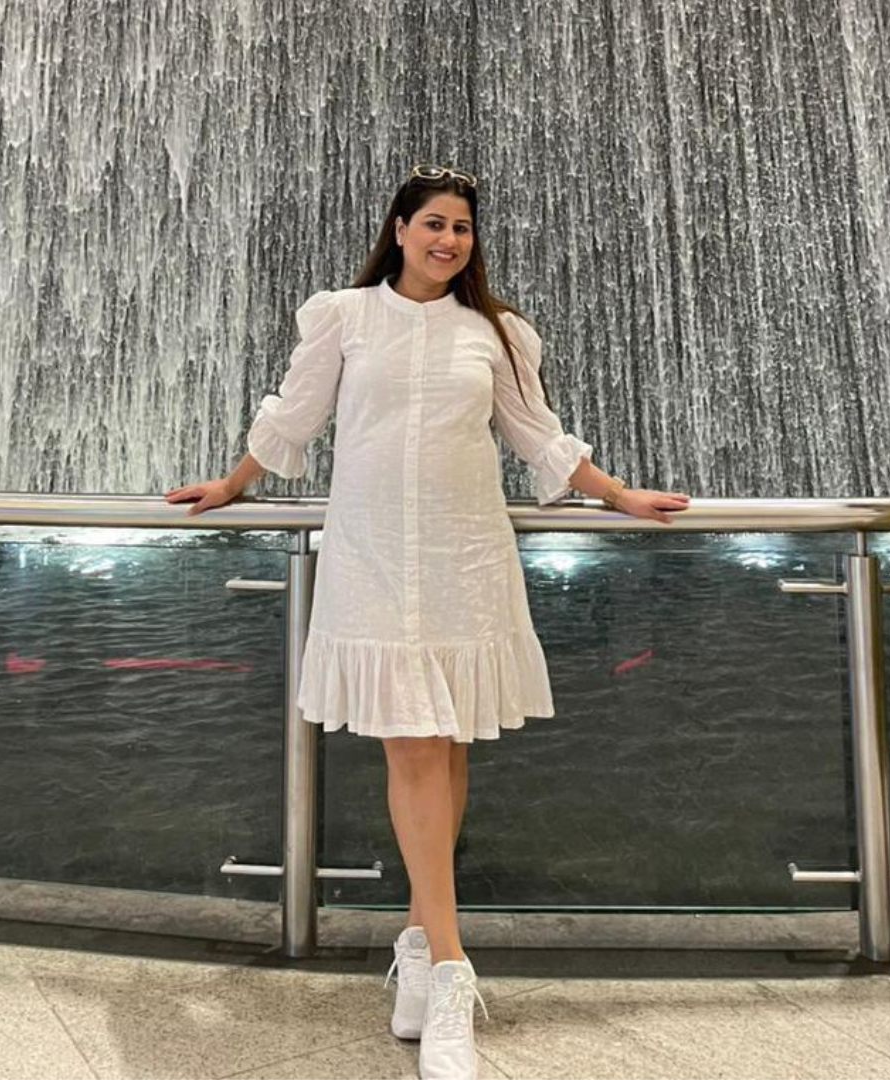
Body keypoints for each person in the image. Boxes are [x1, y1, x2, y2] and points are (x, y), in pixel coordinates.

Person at [166, 163, 691, 1079]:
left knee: (445, 749)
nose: (449, 240)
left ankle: (415, 945)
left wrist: (618, 495)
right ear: (400, 229)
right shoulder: (345, 317)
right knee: (413, 743)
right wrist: (232, 484)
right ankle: (451, 973)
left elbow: (536, 435)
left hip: (464, 555)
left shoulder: (495, 332)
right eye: (435, 224)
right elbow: (293, 417)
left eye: (462, 228)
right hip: (372, 553)